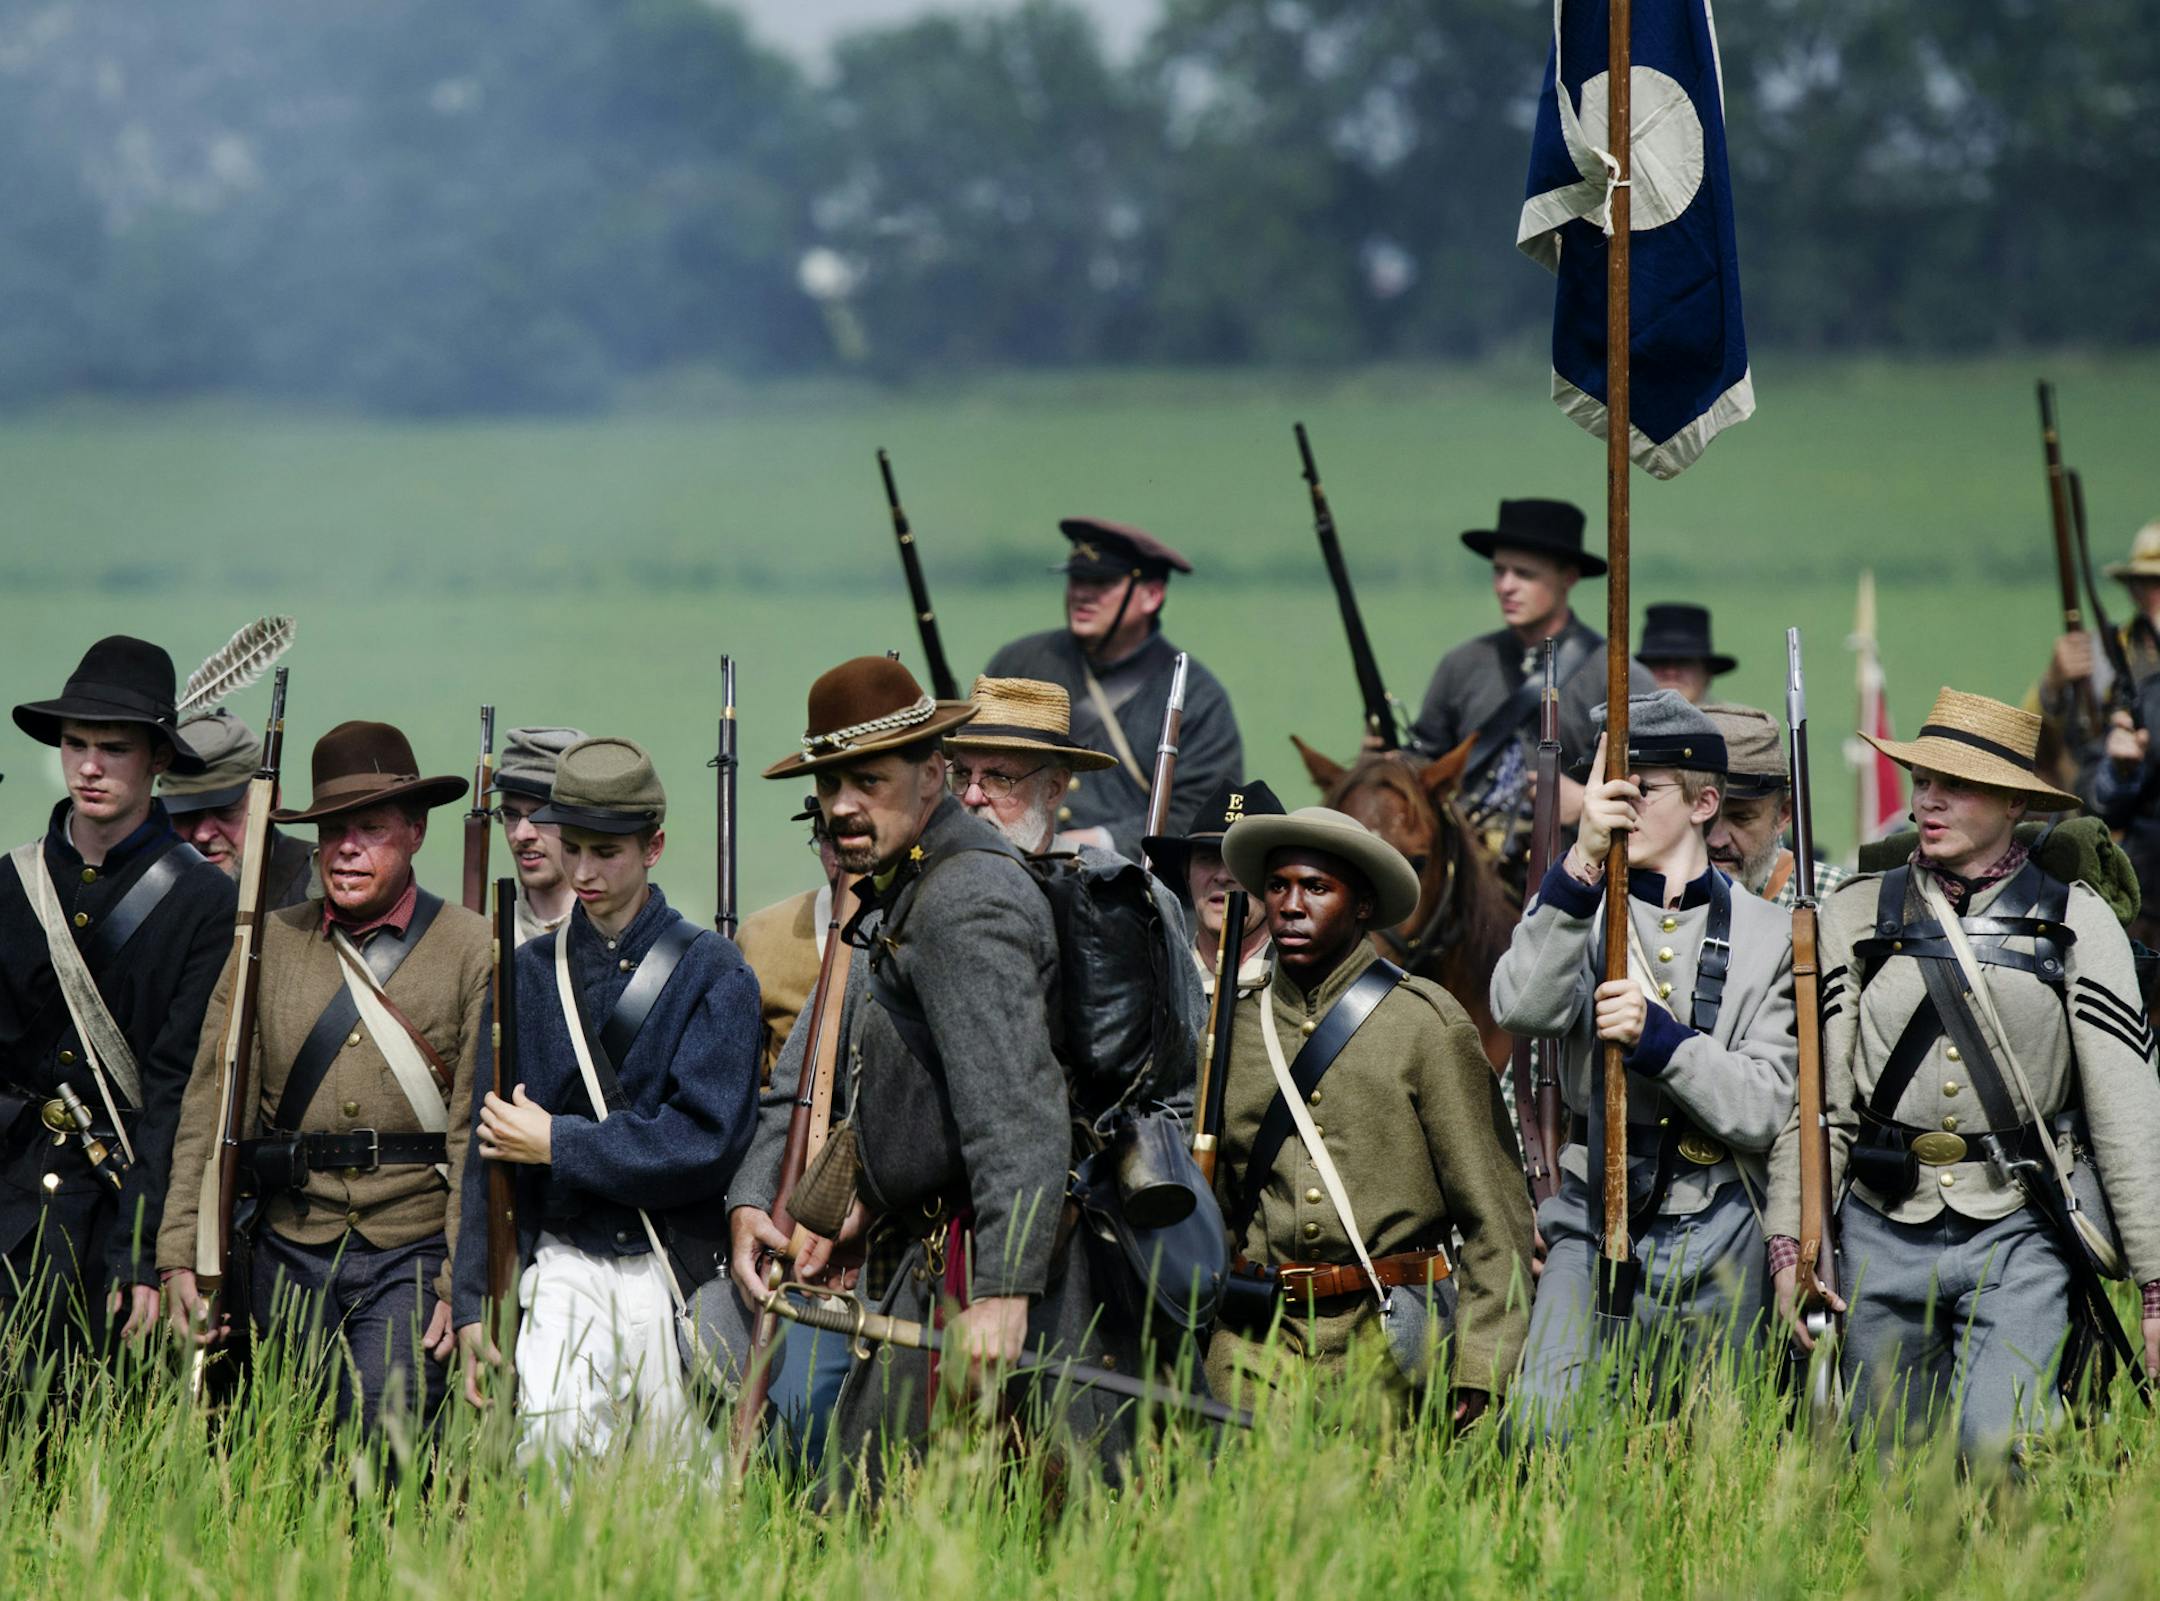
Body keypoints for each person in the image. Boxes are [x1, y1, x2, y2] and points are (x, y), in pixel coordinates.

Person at [729, 657, 1148, 1488]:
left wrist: (1001, 1289)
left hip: (979, 1274)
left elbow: (1016, 1107)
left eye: (868, 780)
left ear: (931, 774)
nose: (844, 804)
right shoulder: (913, 884)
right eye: (830, 783)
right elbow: (843, 1070)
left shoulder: (963, 899)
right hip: (930, 1257)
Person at [1768, 688, 2160, 1460]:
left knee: (2000, 1444)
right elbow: (1818, 1105)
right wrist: (1794, 1241)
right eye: (1922, 780)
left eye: (1959, 784)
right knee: (1887, 1466)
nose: (1929, 799)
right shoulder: (1853, 914)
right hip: (1881, 1224)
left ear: (2015, 800)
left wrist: (2155, 1288)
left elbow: (2127, 1112)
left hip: (2021, 1224)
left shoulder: (2079, 921)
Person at [158, 720, 488, 1433]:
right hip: (288, 1243)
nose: (346, 848)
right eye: (333, 829)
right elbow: (211, 1110)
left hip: (414, 1242)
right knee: (290, 1440)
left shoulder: (471, 948)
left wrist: (461, 1288)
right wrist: (182, 1253)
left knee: (386, 1421)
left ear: (415, 832)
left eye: (370, 827)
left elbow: (473, 1139)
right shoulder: (268, 943)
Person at [1490, 691, 1796, 1433]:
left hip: (1720, 1221)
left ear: (1705, 802)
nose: (1615, 802)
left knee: (1719, 1449)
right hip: (1594, 1216)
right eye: (1607, 783)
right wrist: (1583, 856)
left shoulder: (1774, 935)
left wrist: (1664, 1041)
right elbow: (1520, 1005)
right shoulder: (1577, 908)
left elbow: (1764, 1107)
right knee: (1542, 1429)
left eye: (1641, 787)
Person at [454, 736, 759, 1463]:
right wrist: (473, 1302)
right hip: (564, 1259)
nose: (584, 872)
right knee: (551, 1451)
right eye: (575, 848)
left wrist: (560, 1143)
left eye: (607, 852)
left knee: (680, 1479)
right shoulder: (527, 971)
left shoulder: (714, 972)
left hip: (668, 1262)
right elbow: (486, 1151)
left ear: (654, 844)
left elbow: (705, 1140)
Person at [1204, 806, 1534, 1417]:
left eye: (1317, 887)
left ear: (1361, 906)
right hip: (1256, 1338)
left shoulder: (1424, 1024)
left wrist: (1482, 1364)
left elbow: (1496, 1217)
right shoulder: (1232, 1024)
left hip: (1389, 1335)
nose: (1291, 905)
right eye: (1278, 886)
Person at [0, 636, 236, 1352]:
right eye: (75, 744)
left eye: (114, 747)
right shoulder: (10, 885)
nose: (90, 766)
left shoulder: (202, 900)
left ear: (160, 759)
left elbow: (174, 1091)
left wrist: (144, 1249)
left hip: (116, 1212)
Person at [1404, 499, 1654, 859]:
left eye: (1524, 574)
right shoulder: (1461, 665)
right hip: (1465, 869)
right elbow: (1424, 759)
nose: (1505, 586)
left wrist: (1585, 802)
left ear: (1568, 577)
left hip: (1577, 870)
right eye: (1499, 571)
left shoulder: (1618, 677)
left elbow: (1657, 789)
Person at [984, 518, 1242, 862]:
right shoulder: (1020, 662)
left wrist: (1090, 844)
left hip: (1127, 890)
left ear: (1152, 595)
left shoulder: (1197, 695)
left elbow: (1201, 816)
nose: (1081, 593)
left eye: (1101, 582)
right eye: (1076, 579)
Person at [734, 799, 852, 1082]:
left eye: (853, 835)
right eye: (827, 838)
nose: (839, 856)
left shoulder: (920, 920)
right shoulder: (762, 934)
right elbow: (743, 1083)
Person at [943, 675, 1118, 857]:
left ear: (1053, 789)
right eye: (962, 774)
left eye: (998, 778)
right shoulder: (925, 872)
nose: (971, 797)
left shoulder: (1104, 881)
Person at [160, 708, 316, 908]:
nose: (203, 834)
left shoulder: (318, 887)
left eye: (224, 811)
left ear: (271, 800)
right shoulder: (148, 889)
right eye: (186, 815)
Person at [1141, 778, 1284, 992]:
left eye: (1242, 860)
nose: (1222, 875)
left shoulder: (1305, 984)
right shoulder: (1152, 982)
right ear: (1185, 872)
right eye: (1207, 858)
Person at [1700, 701, 1849, 906]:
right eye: (1703, 815)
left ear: (1783, 814)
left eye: (1740, 818)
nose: (1717, 841)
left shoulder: (1837, 900)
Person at [487, 725, 584, 947]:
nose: (521, 834)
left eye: (541, 815)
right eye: (510, 815)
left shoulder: (617, 935)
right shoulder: (488, 937)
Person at [1636, 603, 1736, 705]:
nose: (1671, 671)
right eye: (1660, 661)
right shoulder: (1622, 718)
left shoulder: (1738, 719)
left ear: (1707, 673)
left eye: (1684, 662)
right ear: (1641, 670)